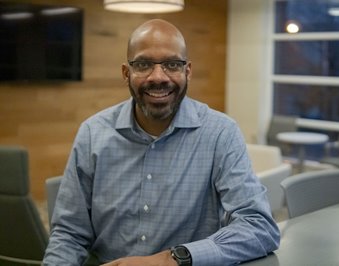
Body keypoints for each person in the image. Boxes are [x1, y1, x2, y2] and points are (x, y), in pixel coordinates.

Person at [43, 19, 280, 266]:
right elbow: (69, 234)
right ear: (126, 73)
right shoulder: (93, 133)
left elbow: (259, 226)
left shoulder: (220, 133)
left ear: (187, 71)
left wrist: (172, 259)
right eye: (144, 64)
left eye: (172, 64)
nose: (158, 77)